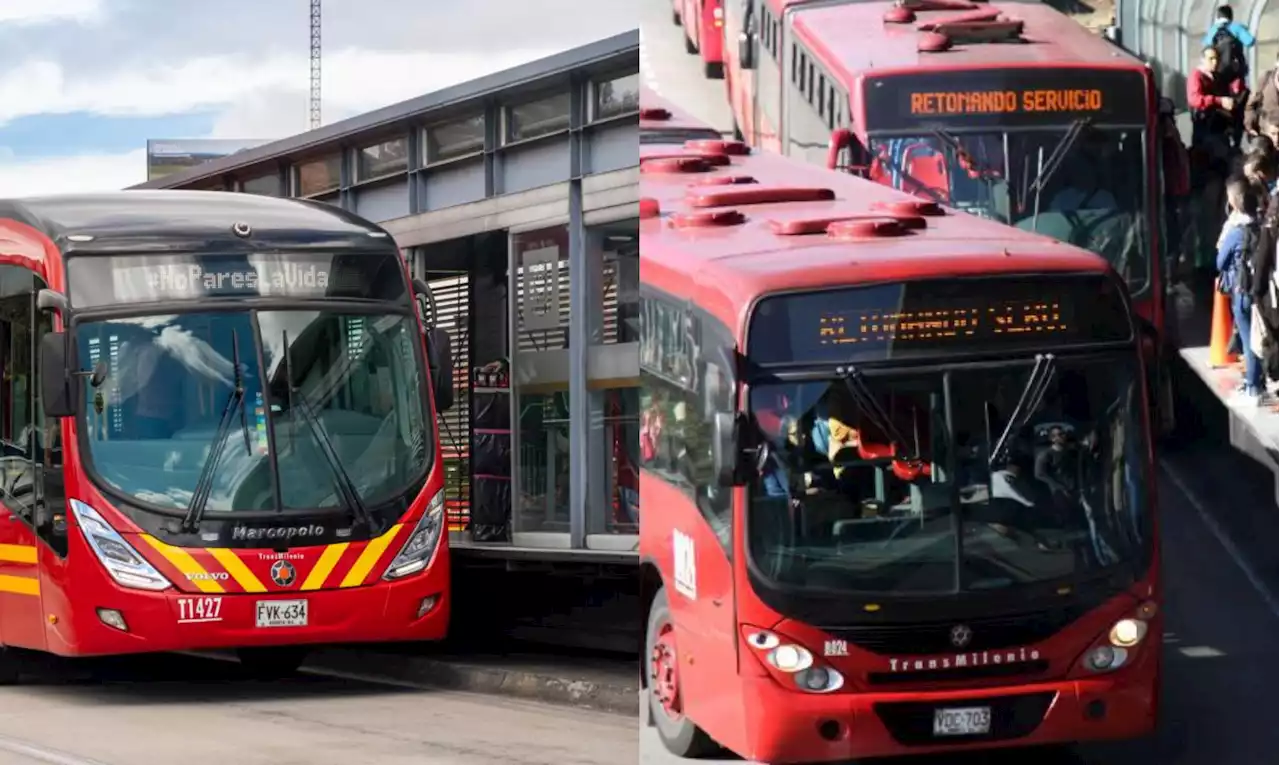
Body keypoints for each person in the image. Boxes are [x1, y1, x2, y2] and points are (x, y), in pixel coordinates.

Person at [1216, 175, 1267, 405]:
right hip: (1262, 290)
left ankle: (1253, 387)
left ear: (1235, 202)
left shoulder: (1236, 232)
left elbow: (1220, 261)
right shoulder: (1261, 227)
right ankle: (1260, 381)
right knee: (1261, 336)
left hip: (1242, 290)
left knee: (1248, 340)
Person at [1205, 6, 1253, 148]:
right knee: (1238, 110)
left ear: (1217, 17)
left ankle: (1221, 141)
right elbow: (1250, 41)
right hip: (1236, 80)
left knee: (1220, 109)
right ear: (1231, 17)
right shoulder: (1236, 28)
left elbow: (1206, 47)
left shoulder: (1213, 30)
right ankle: (1236, 143)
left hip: (1218, 80)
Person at [1247, 51, 1280, 147]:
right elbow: (1251, 105)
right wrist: (1250, 125)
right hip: (1266, 134)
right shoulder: (1265, 78)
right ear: (1277, 63)